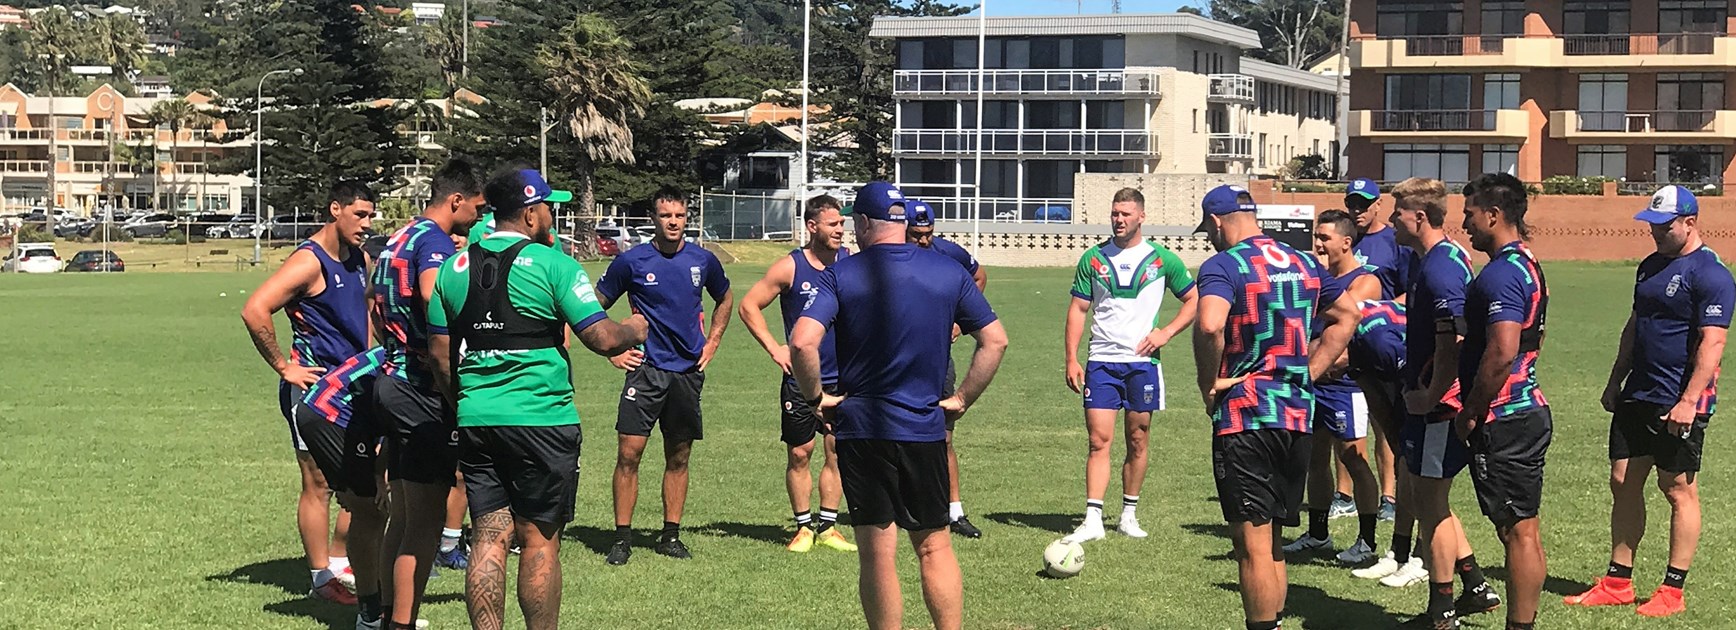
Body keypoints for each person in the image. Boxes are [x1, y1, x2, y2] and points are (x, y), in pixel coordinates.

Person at [428, 167, 648, 630]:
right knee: (539, 540)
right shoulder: (556, 265)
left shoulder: (453, 268)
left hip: (477, 417)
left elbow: (440, 355)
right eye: (549, 205)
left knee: (488, 534)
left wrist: (464, 401)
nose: (553, 213)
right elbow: (602, 338)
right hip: (541, 419)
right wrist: (634, 329)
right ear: (530, 213)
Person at [789, 181, 1008, 630]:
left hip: (863, 428)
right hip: (924, 428)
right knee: (934, 547)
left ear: (866, 223)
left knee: (877, 553)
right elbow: (996, 340)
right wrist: (962, 397)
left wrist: (816, 398)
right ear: (904, 222)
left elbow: (801, 341)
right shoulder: (948, 272)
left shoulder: (840, 274)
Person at [1191, 185, 1359, 630]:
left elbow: (1209, 324)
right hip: (1298, 413)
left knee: (1252, 545)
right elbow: (1348, 316)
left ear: (1216, 222)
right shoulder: (1304, 261)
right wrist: (1310, 370)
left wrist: (1208, 383)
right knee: (1276, 539)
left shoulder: (1223, 265)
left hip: (1247, 413)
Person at [1565, 186, 1734, 617]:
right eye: (1652, 226)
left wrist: (1688, 401)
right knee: (1622, 479)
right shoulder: (1650, 266)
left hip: (1677, 400)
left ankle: (1672, 591)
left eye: (1664, 226)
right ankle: (1618, 581)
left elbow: (1713, 343)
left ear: (1690, 222)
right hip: (1637, 392)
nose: (1655, 233)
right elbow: (1634, 326)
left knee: (1677, 488)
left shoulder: (1711, 273)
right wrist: (1614, 381)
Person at [240, 179, 376, 606]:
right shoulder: (309, 262)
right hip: (315, 392)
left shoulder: (360, 259)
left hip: (357, 384)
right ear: (335, 210)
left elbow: (367, 315)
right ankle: (322, 579)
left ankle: (340, 559)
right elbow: (255, 308)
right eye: (360, 214)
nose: (367, 223)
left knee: (367, 481)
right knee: (319, 483)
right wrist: (284, 366)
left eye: (371, 215)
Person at [371, 159, 484, 630]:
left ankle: (379, 614)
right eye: (476, 208)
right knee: (424, 522)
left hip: (390, 378)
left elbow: (375, 313)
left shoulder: (401, 235)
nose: (478, 218)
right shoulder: (435, 243)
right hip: (419, 387)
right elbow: (436, 296)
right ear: (455, 201)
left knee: (403, 515)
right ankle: (401, 623)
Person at [597, 186, 734, 565]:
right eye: (665, 215)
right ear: (653, 219)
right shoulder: (632, 262)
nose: (673, 222)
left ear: (686, 217)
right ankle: (622, 538)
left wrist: (714, 340)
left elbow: (725, 296)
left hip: (687, 373)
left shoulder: (703, 260)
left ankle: (670, 535)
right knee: (629, 453)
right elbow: (594, 308)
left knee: (679, 455)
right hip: (645, 372)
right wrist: (613, 349)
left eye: (679, 215)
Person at [1387, 178, 1501, 628]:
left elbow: (1455, 337)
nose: (1392, 219)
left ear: (1418, 217)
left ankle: (1442, 610)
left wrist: (1431, 395)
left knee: (1430, 505)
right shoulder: (1437, 257)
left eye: (1398, 212)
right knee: (1424, 493)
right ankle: (1474, 584)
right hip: (1428, 400)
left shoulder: (1440, 268)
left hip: (1437, 407)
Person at [1059, 187, 1198, 542]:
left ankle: (1129, 514)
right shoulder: (1093, 258)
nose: (1119, 220)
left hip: (1142, 364)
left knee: (1138, 439)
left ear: (1141, 217)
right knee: (1098, 440)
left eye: (1125, 214)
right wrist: (1072, 357)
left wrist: (1165, 333)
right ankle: (1092, 518)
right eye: (1115, 213)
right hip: (1102, 362)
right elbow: (1078, 309)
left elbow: (1194, 300)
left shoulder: (1162, 259)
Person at [737, 194, 858, 553]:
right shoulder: (790, 267)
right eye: (833, 224)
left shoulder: (852, 263)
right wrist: (775, 348)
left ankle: (829, 526)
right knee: (800, 453)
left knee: (836, 451)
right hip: (801, 380)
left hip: (845, 376)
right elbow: (749, 305)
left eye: (842, 223)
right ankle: (804, 527)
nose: (840, 230)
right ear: (812, 226)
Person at [1457, 173, 1551, 630]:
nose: (1464, 224)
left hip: (1507, 415)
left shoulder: (1502, 274)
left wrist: (1472, 409)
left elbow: (1502, 351)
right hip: (1520, 410)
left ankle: (1521, 625)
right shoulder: (1526, 262)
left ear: (1494, 215)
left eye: (1470, 214)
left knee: (1519, 530)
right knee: (1516, 527)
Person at [1282, 210, 1383, 566]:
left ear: (1346, 242)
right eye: (1316, 236)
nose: (1317, 244)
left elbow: (1340, 328)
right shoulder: (1318, 277)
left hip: (1345, 384)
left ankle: (1367, 540)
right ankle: (1318, 533)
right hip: (1314, 381)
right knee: (1315, 460)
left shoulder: (1366, 282)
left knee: (1354, 459)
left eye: (1325, 238)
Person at [905, 201, 990, 538]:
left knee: (942, 437)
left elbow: (980, 275)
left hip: (937, 360)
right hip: (893, 360)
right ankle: (893, 507)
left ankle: (954, 512)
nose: (924, 241)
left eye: (928, 234)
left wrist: (959, 321)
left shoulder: (946, 254)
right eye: (916, 235)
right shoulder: (889, 255)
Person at [296, 348, 390, 628]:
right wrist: (378, 471)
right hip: (330, 413)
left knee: (374, 509)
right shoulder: (431, 356)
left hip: (339, 412)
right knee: (370, 511)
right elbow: (396, 420)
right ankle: (372, 615)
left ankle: (384, 609)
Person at [1345, 177, 1410, 522]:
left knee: (1383, 422)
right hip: (1344, 342)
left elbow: (1409, 293)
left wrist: (1377, 313)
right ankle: (1345, 495)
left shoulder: (1393, 240)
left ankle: (1390, 494)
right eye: (1352, 203)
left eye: (1363, 203)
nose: (1357, 210)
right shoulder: (1343, 237)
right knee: (1345, 424)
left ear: (1377, 205)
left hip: (1382, 341)